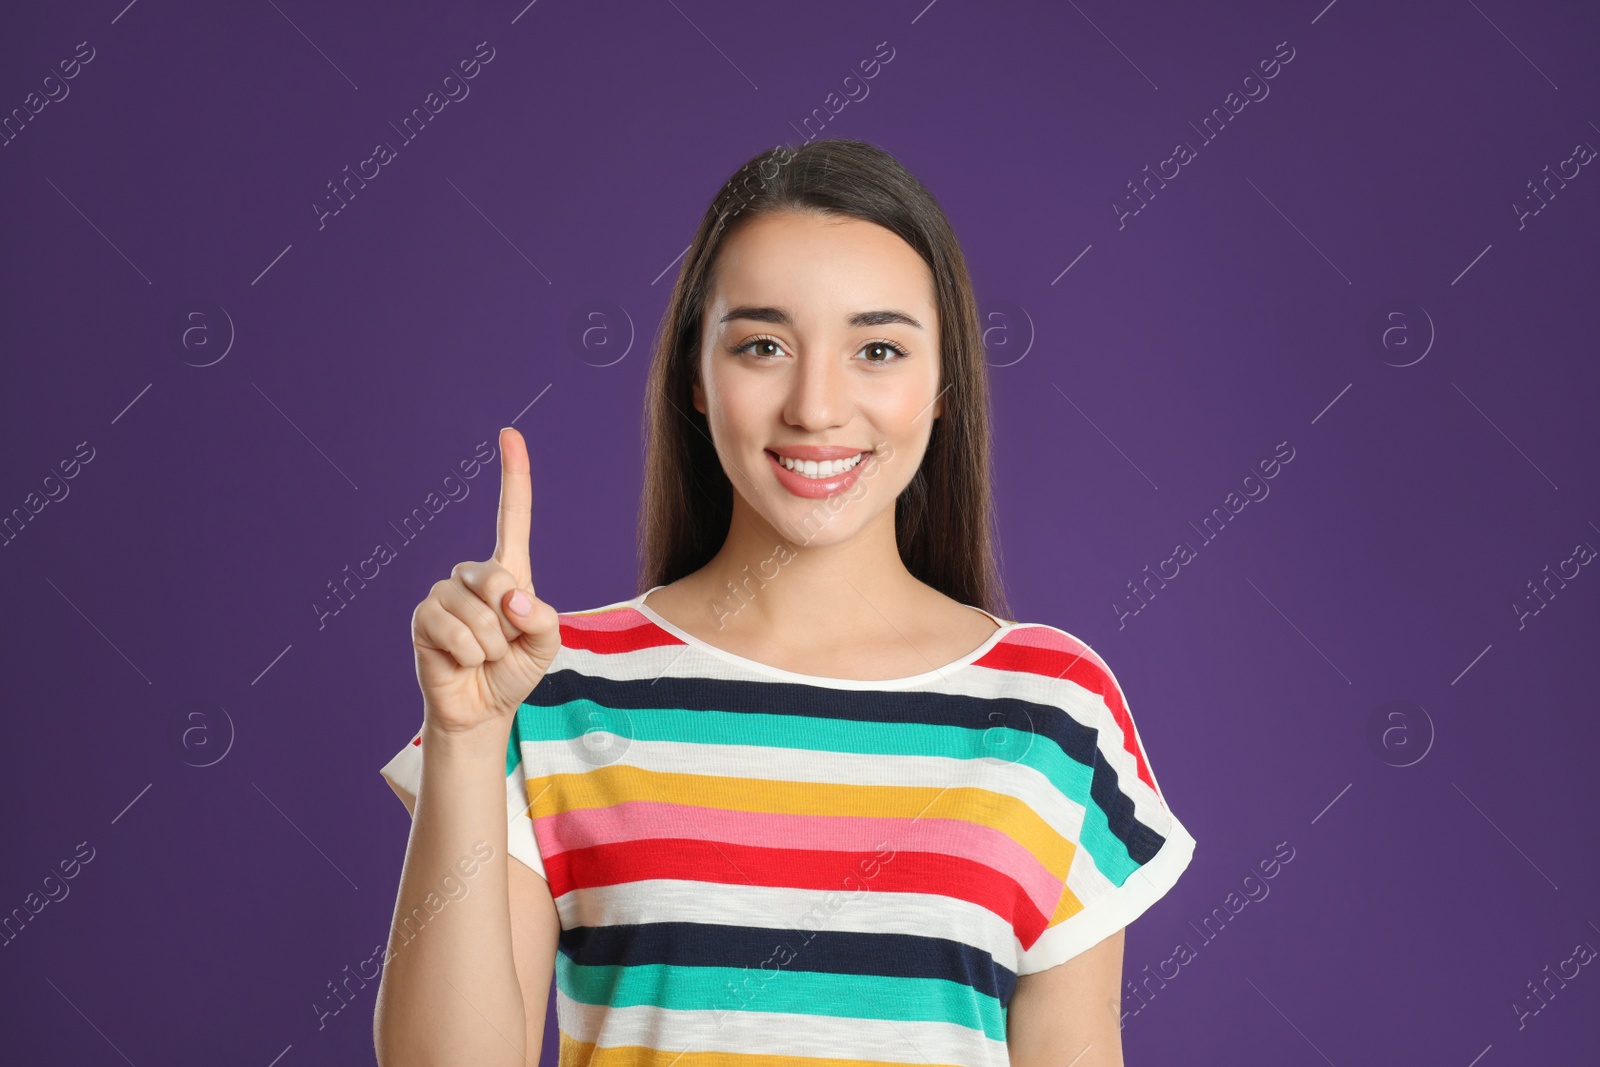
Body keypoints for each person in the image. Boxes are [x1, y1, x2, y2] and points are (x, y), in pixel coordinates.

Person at [373, 138, 1196, 1067]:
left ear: (943, 389)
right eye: (763, 345)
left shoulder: (1052, 707)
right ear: (695, 374)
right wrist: (468, 737)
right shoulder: (553, 688)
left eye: (877, 348)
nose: (815, 405)